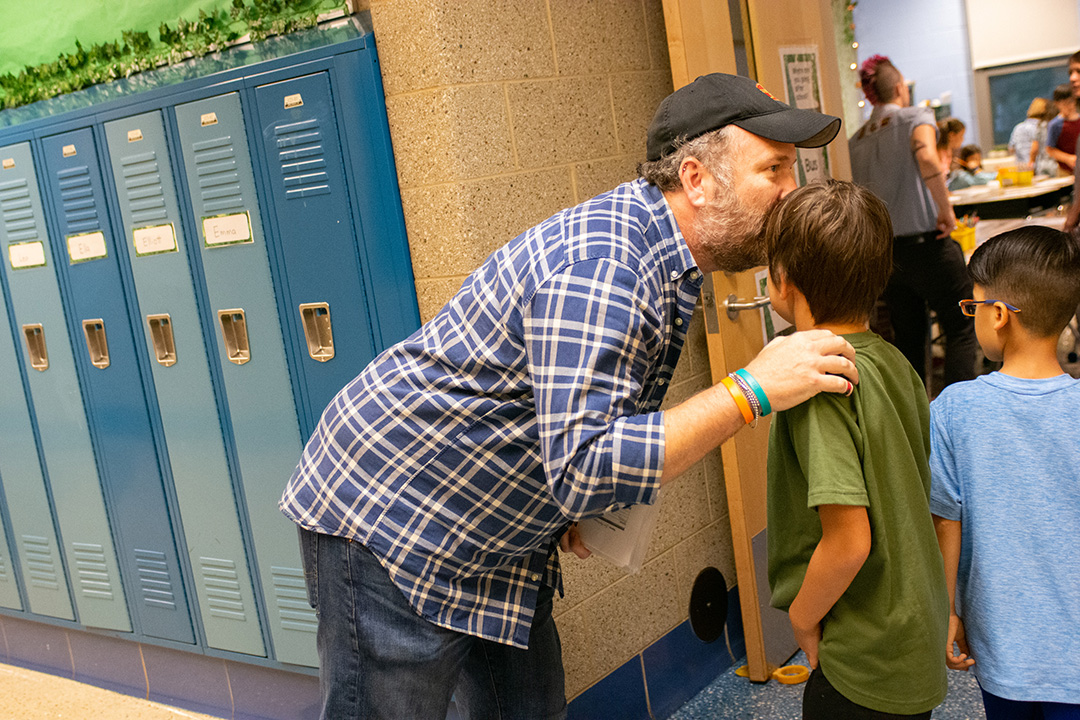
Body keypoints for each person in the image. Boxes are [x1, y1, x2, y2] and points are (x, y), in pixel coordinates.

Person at [279, 73, 853, 720]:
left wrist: (574, 508)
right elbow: (586, 464)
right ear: (696, 179)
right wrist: (750, 390)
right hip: (392, 521)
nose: (791, 191)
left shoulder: (668, 261)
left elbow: (585, 429)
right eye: (773, 169)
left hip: (495, 534)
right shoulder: (607, 269)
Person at [764, 180, 948, 720]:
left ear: (784, 282)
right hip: (914, 629)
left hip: (863, 652)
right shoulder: (894, 361)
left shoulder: (817, 384)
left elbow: (849, 542)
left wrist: (801, 618)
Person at [929, 225, 1080, 719]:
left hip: (1003, 646)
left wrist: (947, 612)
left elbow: (945, 523)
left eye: (971, 307)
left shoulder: (954, 410)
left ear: (997, 316)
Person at [849, 54, 976, 389]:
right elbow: (925, 153)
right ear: (901, 87)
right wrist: (946, 210)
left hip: (889, 258)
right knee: (963, 325)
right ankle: (957, 421)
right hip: (928, 247)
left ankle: (916, 424)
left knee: (909, 341)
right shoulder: (916, 116)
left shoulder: (856, 141)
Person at [1008, 97, 1056, 175]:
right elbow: (1035, 149)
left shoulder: (1018, 127)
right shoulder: (1042, 126)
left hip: (1021, 169)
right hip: (1038, 168)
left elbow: (1011, 149)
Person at [1046, 82, 1080, 173]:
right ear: (1057, 104)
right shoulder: (1055, 124)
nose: (1069, 106)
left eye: (1071, 102)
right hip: (1065, 171)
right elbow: (1050, 149)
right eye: (1064, 103)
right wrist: (1068, 158)